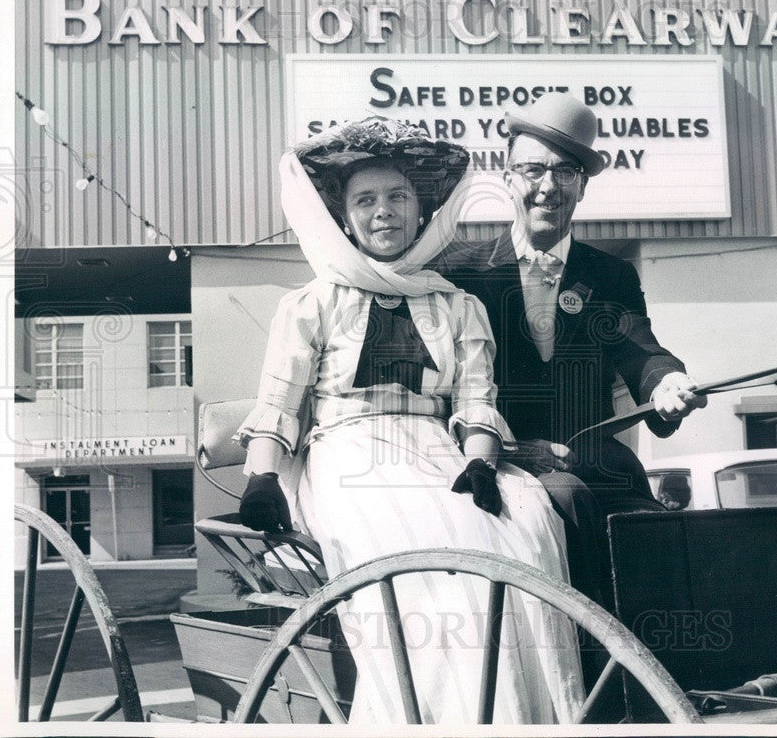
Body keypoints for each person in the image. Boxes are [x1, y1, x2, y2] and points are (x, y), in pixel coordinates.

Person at [235, 118, 584, 724]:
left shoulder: (456, 304)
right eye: (365, 200)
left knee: (525, 522)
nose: (384, 213)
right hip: (345, 450)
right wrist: (262, 479)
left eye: (398, 197)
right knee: (428, 552)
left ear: (422, 209)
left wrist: (480, 459)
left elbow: (476, 400)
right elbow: (280, 403)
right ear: (343, 217)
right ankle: (433, 717)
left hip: (440, 452)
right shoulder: (312, 303)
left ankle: (521, 718)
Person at [434, 92, 707, 610]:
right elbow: (446, 392)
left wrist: (667, 383)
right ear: (508, 175)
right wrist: (510, 449)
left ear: (582, 185)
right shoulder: (461, 275)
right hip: (499, 470)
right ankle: (595, 666)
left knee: (667, 539)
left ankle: (667, 677)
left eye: (564, 172)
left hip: (601, 471)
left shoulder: (609, 275)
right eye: (533, 170)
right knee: (567, 500)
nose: (547, 187)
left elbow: (639, 347)